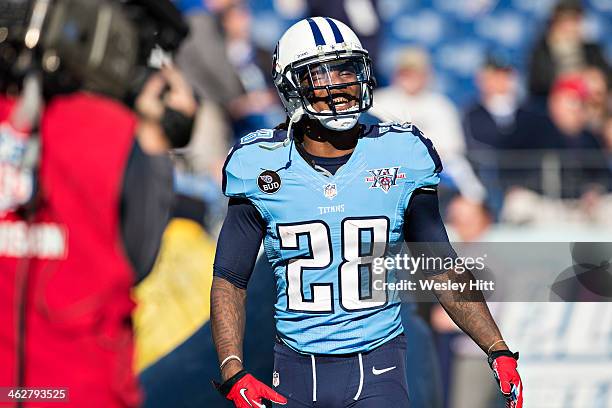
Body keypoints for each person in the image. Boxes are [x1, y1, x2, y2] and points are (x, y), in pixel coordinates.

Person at [210, 17, 523, 408]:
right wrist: (232, 368)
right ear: (292, 87)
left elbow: (441, 266)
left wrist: (496, 347)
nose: (339, 86)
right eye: (320, 75)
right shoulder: (259, 163)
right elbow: (229, 279)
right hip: (294, 368)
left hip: (380, 366)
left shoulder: (402, 154)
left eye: (346, 70)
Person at [372, 46, 486, 204]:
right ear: (396, 74)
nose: (411, 78)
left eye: (417, 73)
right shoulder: (380, 102)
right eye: (406, 73)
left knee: (464, 176)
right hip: (390, 165)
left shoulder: (440, 104)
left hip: (436, 164)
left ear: (426, 75)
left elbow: (453, 147)